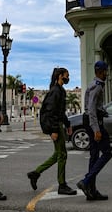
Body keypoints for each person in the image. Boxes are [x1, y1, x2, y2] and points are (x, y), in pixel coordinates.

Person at [27, 67, 77, 196]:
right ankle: (62, 185)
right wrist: (54, 130)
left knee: (58, 154)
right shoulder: (55, 91)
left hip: (59, 125)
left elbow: (60, 111)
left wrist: (67, 124)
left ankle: (36, 173)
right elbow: (51, 112)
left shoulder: (60, 90)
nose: (68, 78)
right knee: (62, 155)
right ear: (60, 76)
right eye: (67, 75)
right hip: (56, 126)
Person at [77, 61, 111, 201]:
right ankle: (86, 182)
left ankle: (91, 190)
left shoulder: (94, 85)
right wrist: (96, 129)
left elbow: (94, 108)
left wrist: (102, 111)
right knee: (107, 153)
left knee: (94, 155)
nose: (107, 74)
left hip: (92, 120)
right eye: (105, 71)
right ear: (102, 71)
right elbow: (91, 109)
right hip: (94, 123)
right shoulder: (97, 87)